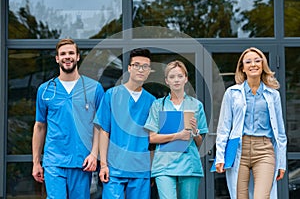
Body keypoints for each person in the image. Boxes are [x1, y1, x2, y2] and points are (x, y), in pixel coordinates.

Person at [32, 38, 104, 198]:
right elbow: (39, 127)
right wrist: (36, 162)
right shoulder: (45, 90)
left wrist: (94, 154)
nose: (67, 56)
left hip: (82, 162)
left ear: (78, 56)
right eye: (63, 54)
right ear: (57, 58)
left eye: (71, 53)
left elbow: (100, 126)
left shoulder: (94, 89)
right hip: (54, 161)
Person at [214, 47, 287, 199]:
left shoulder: (273, 95)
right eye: (248, 62)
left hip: (265, 150)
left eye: (257, 60)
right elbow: (224, 127)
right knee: (240, 196)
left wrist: (282, 162)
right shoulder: (232, 93)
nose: (253, 64)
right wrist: (220, 156)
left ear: (263, 65)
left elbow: (280, 132)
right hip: (239, 149)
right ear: (243, 68)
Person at [94, 48, 155, 199]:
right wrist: (103, 165)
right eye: (136, 65)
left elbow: (154, 138)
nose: (141, 69)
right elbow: (104, 131)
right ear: (129, 68)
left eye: (145, 66)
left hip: (141, 168)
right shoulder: (111, 95)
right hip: (114, 169)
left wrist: (153, 169)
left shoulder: (152, 101)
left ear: (149, 71)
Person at [144, 60, 209, 199]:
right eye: (172, 77)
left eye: (180, 76)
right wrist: (178, 135)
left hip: (189, 164)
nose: (176, 80)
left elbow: (199, 142)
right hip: (164, 165)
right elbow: (152, 137)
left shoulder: (196, 105)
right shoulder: (158, 105)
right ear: (166, 81)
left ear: (186, 78)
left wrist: (195, 131)